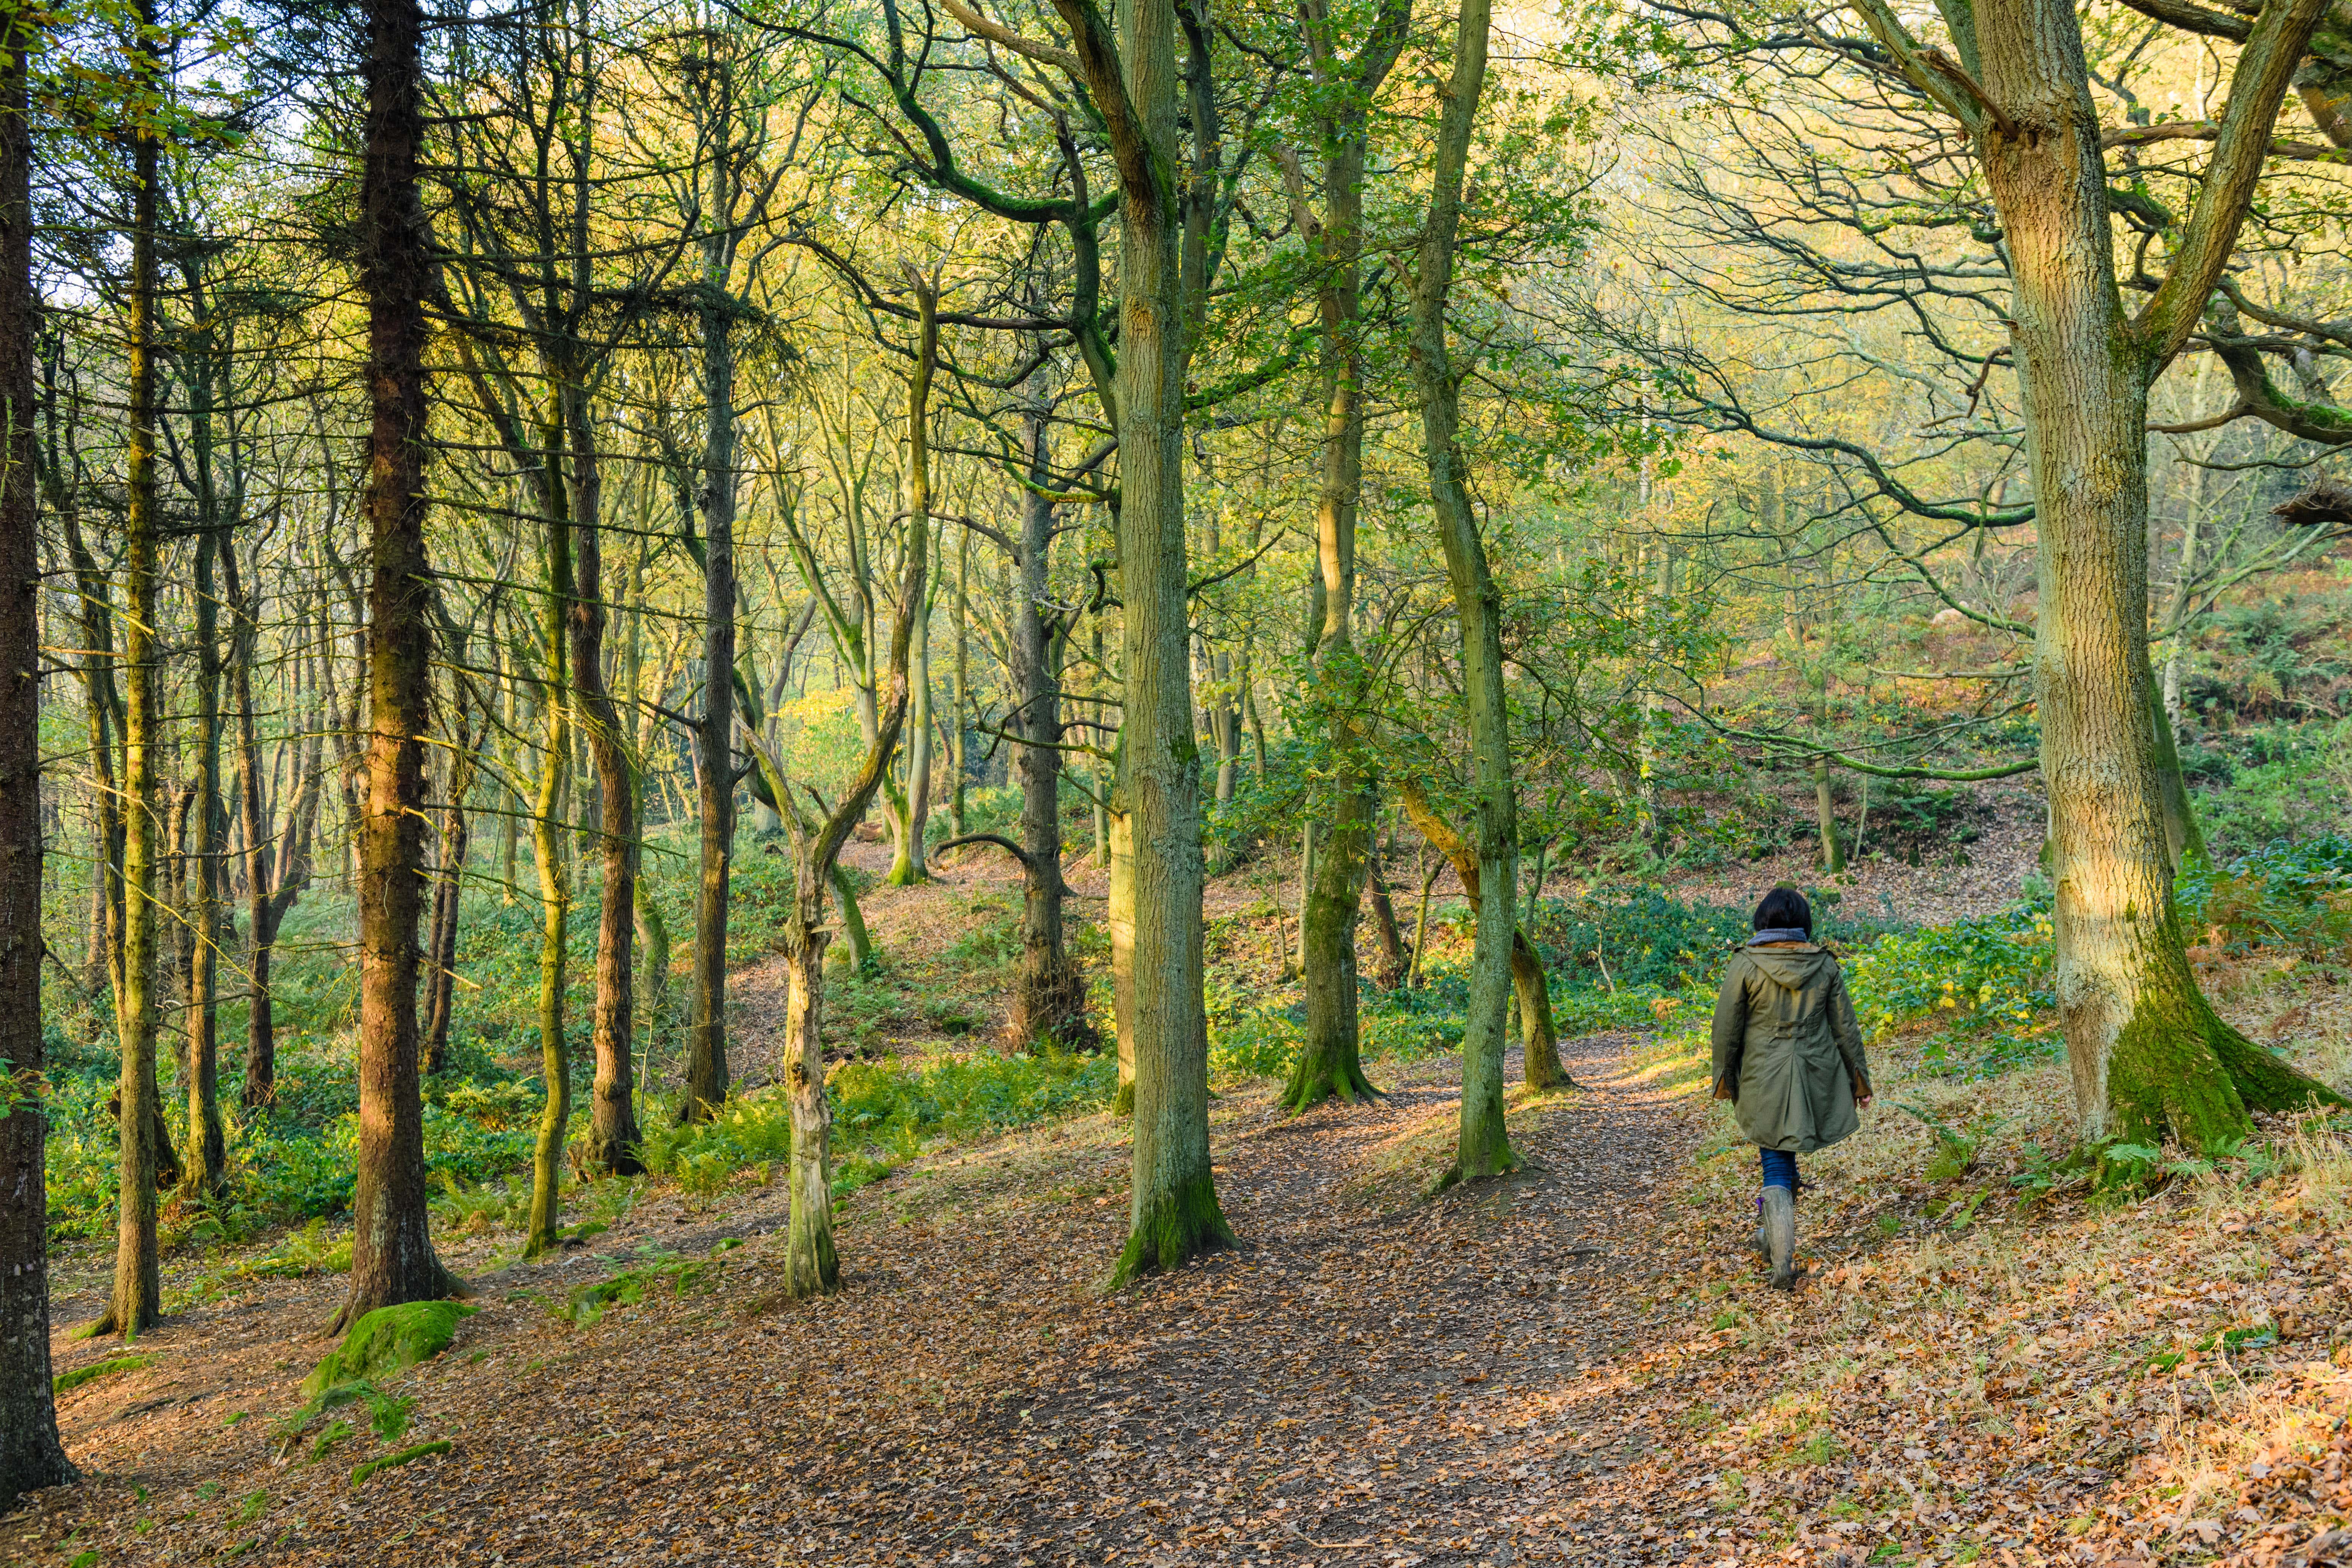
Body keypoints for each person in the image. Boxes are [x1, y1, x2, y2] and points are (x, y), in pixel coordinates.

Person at [1709, 887, 1872, 1290]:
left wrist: (1724, 1077)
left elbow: (1726, 1030)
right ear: (1804, 923)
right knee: (1784, 1158)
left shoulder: (1745, 965)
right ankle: (1769, 1236)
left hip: (1763, 1074)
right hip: (1814, 1072)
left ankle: (1781, 1259)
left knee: (1776, 1161)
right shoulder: (1825, 966)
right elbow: (1845, 1029)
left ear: (1763, 921)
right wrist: (1859, 1080)